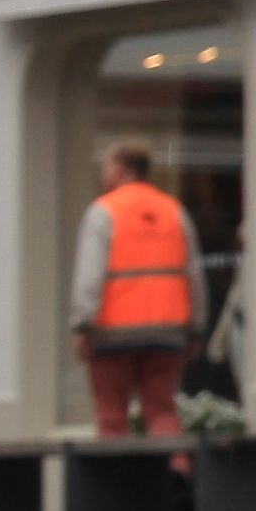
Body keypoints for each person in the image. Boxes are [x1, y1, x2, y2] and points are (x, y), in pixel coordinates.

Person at [71, 143, 200, 442]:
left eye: (106, 166)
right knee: (162, 411)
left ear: (121, 169)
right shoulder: (174, 211)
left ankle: (118, 484)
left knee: (111, 415)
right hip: (166, 333)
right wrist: (195, 328)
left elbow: (89, 276)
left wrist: (82, 325)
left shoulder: (103, 212)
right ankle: (174, 473)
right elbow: (193, 274)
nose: (103, 174)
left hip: (112, 334)